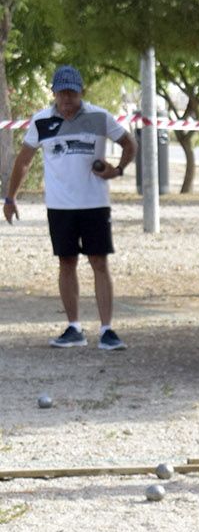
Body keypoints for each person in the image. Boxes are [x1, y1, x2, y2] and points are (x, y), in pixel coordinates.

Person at [5, 65, 137, 350]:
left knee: (99, 262)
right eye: (62, 93)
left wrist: (118, 170)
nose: (67, 99)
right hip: (60, 206)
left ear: (81, 93)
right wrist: (10, 197)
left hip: (94, 204)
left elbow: (129, 144)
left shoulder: (100, 117)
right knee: (66, 262)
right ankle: (74, 327)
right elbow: (24, 161)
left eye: (72, 93)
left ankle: (107, 330)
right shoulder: (41, 121)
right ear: (53, 93)